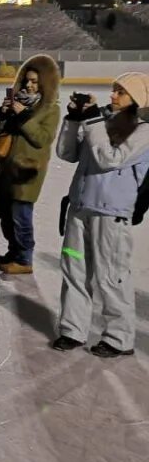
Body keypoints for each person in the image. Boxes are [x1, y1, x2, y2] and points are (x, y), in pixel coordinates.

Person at [53, 72, 149, 357]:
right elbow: (66, 153)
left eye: (121, 91)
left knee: (111, 276)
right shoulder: (101, 122)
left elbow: (111, 159)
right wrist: (73, 119)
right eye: (114, 89)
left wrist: (93, 120)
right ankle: (72, 330)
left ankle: (119, 338)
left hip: (111, 214)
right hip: (80, 209)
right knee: (75, 270)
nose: (113, 95)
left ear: (138, 98)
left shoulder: (144, 131)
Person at [0, 54, 61, 274]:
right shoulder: (17, 101)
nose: (29, 85)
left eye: (34, 82)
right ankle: (13, 251)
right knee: (4, 212)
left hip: (27, 171)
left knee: (21, 217)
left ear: (44, 84)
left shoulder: (51, 109)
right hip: (7, 168)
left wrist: (23, 116)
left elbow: (42, 138)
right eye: (27, 80)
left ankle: (24, 259)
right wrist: (3, 112)